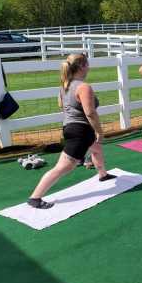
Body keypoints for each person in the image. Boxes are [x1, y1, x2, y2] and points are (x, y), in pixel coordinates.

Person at [27, 54, 115, 209]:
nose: (89, 67)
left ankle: (103, 175)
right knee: (65, 167)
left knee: (97, 149)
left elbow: (61, 105)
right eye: (87, 64)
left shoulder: (65, 85)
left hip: (71, 128)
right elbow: (90, 113)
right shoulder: (83, 87)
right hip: (80, 131)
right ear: (81, 66)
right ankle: (35, 198)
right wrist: (99, 132)